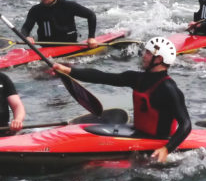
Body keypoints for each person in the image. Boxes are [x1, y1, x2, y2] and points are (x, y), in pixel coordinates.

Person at [55, 36, 192, 164]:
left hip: (157, 143)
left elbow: (186, 124)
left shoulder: (169, 89)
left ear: (159, 59)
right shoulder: (137, 78)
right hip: (138, 134)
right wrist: (67, 70)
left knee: (94, 168)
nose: (144, 56)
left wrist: (166, 149)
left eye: (148, 53)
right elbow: (102, 76)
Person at [19, 0, 99, 47]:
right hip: (46, 48)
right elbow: (25, 28)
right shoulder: (35, 10)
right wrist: (26, 37)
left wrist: (91, 37)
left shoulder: (68, 6)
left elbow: (91, 15)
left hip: (69, 45)